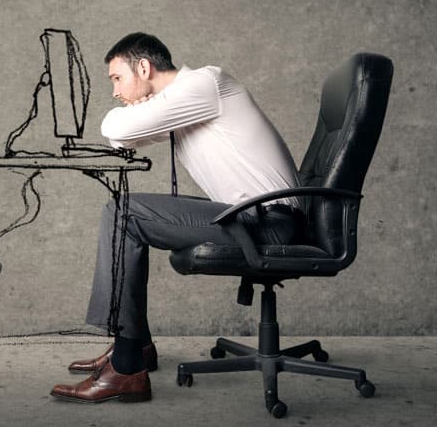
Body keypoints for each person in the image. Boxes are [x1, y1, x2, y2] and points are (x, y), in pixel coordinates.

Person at [50, 32, 304, 403]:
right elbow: (126, 141)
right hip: (251, 218)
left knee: (123, 213)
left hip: (270, 225)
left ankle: (125, 367)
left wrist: (132, 115)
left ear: (143, 67)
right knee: (126, 212)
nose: (115, 91)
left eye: (117, 78)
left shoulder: (204, 83)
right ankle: (138, 348)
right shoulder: (187, 101)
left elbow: (116, 128)